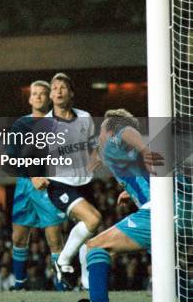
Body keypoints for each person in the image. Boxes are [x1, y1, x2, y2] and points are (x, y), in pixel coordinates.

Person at [31, 73, 101, 288]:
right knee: (93, 220)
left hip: (85, 183)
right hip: (60, 184)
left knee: (89, 235)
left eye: (63, 87)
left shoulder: (85, 118)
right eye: (54, 88)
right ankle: (62, 261)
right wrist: (34, 175)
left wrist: (95, 157)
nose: (58, 91)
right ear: (51, 96)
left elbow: (92, 146)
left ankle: (87, 284)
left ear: (71, 93)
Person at [83, 109, 161, 302]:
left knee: (94, 246)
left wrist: (144, 149)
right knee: (180, 266)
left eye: (102, 130)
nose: (100, 135)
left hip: (157, 213)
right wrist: (130, 192)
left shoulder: (113, 142)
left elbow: (125, 130)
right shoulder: (124, 154)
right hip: (180, 207)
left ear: (110, 131)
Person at [9, 80, 66, 290]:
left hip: (48, 187)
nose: (39, 96)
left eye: (43, 93)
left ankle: (62, 286)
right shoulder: (20, 124)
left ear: (49, 97)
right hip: (25, 186)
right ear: (30, 98)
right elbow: (12, 157)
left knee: (54, 239)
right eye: (35, 93)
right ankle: (19, 285)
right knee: (18, 237)